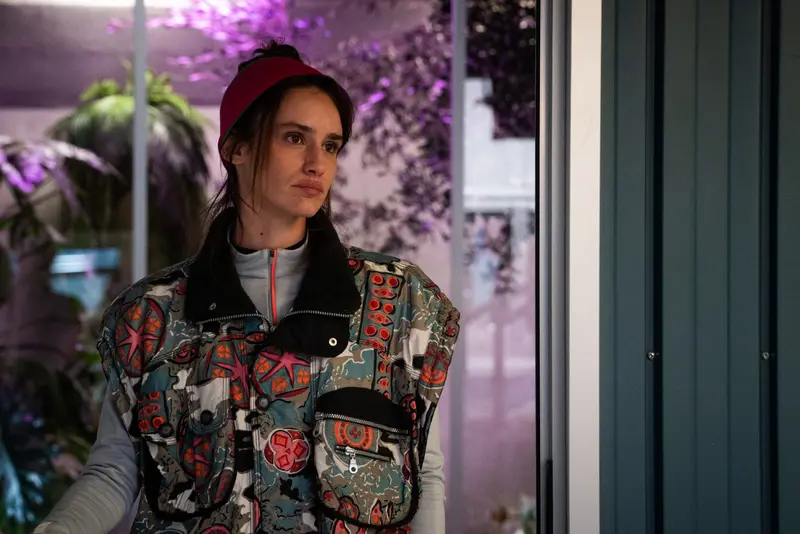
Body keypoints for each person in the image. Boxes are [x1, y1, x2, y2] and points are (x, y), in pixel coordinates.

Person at [35, 41, 460, 534]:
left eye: (330, 145)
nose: (317, 164)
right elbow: (115, 470)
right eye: (295, 138)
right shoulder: (150, 318)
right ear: (235, 148)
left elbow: (423, 471)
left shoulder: (401, 302)